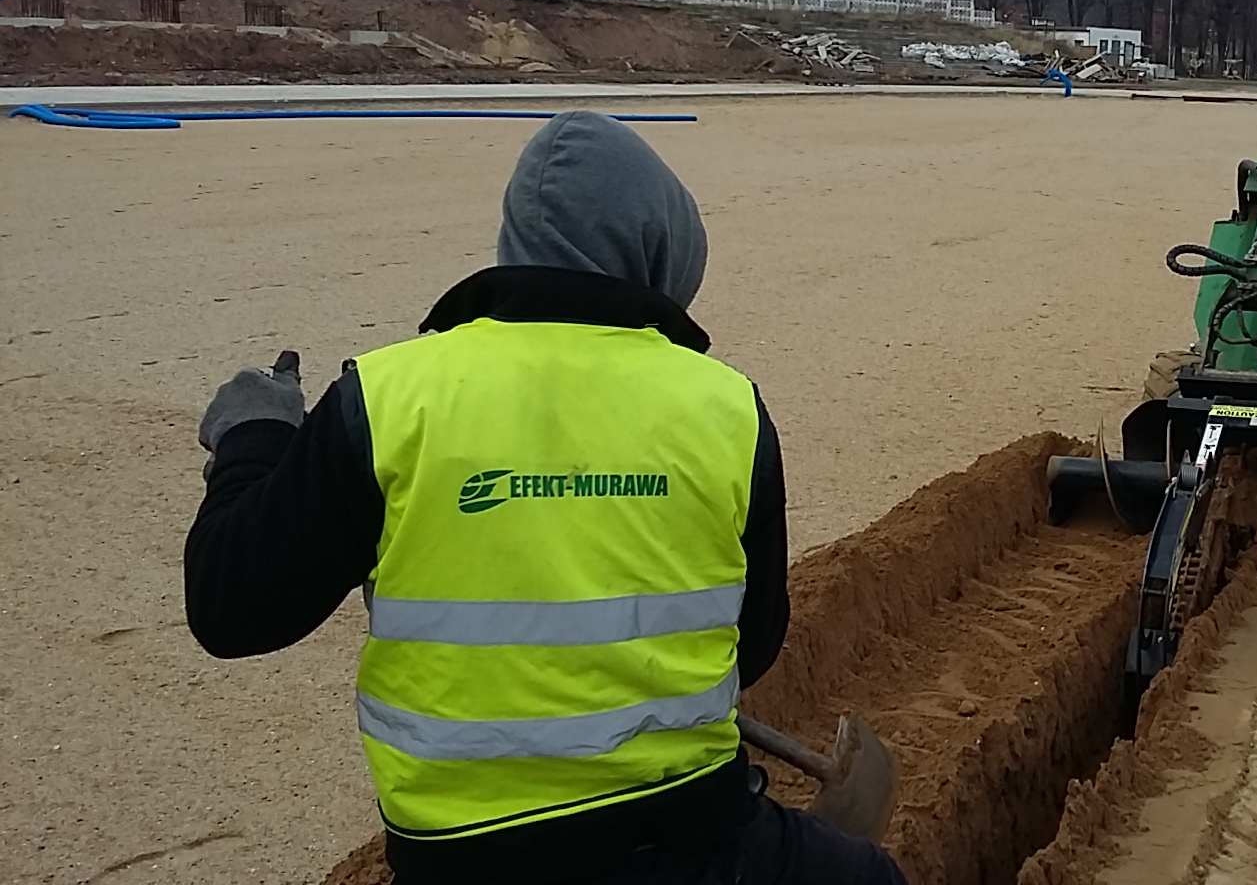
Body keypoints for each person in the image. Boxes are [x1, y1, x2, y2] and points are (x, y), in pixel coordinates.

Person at [185, 111, 907, 885]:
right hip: (694, 844)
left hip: (461, 865)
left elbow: (233, 608)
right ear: (661, 254)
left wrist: (256, 438)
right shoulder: (727, 408)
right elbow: (751, 645)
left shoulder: (387, 400)